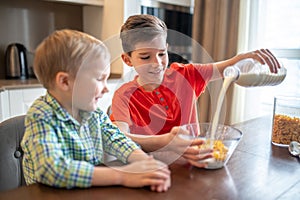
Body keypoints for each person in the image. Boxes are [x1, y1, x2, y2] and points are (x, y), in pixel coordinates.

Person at [110, 14, 281, 166]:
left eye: (162, 54)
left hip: (195, 163)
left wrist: (247, 57)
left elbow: (229, 66)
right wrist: (166, 141)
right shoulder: (123, 95)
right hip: (152, 169)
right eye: (146, 56)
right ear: (128, 60)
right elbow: (119, 138)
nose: (157, 63)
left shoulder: (186, 75)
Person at [20, 29, 171, 192]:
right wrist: (122, 176)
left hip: (86, 190)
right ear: (65, 82)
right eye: (100, 79)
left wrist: (144, 162)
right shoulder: (41, 115)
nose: (106, 89)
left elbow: (115, 138)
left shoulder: (92, 113)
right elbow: (52, 169)